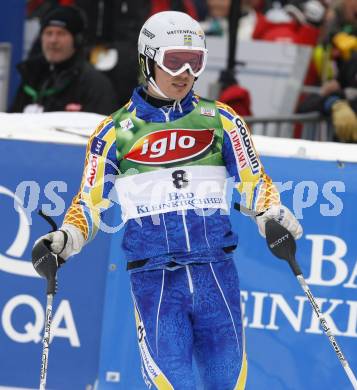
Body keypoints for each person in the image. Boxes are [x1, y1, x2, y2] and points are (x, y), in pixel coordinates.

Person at [32, 11, 303, 389]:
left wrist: (271, 213)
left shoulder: (221, 120)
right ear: (148, 59)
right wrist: (66, 239)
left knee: (227, 384)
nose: (185, 72)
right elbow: (89, 204)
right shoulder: (114, 132)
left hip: (216, 275)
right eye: (174, 60)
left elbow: (254, 181)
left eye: (196, 61)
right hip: (156, 281)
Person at [9, 5, 117, 115]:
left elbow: (106, 128)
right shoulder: (31, 77)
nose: (53, 40)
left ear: (76, 40)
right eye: (48, 33)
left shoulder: (94, 84)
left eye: (61, 33)